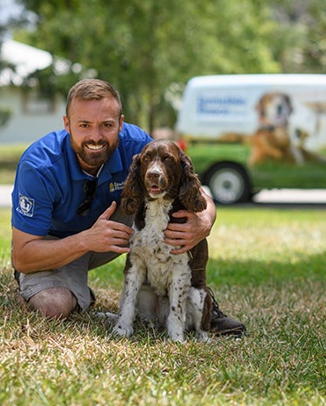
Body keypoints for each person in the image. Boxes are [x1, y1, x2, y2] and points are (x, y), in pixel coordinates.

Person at [11, 78, 246, 337]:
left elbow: (196, 192)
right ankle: (64, 289)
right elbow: (22, 256)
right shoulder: (39, 166)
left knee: (178, 208)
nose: (96, 136)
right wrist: (87, 240)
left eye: (107, 125)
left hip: (116, 232)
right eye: (84, 125)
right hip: (58, 243)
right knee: (52, 307)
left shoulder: (138, 145)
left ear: (121, 124)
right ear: (67, 124)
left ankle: (199, 304)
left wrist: (204, 221)